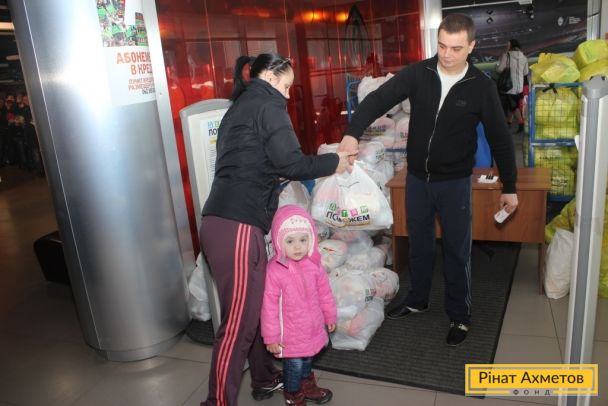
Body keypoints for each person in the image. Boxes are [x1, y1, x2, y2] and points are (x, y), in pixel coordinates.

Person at [338, 13, 518, 346]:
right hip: (418, 179)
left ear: (471, 46)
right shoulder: (420, 73)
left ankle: (460, 315)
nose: (447, 54)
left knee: (457, 251)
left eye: (456, 48)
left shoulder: (481, 87)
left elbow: (501, 139)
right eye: (442, 46)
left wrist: (510, 186)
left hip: (455, 183)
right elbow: (378, 99)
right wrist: (352, 133)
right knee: (419, 245)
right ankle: (418, 299)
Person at [199, 53, 350, 406]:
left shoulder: (240, 107)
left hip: (229, 222)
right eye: (286, 85)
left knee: (251, 312)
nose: (287, 93)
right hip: (237, 224)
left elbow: (256, 163)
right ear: (269, 76)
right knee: (237, 325)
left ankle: (265, 378)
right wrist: (335, 162)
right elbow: (292, 163)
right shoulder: (268, 105)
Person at [261, 204, 336, 406]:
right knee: (294, 366)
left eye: (303, 240)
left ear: (311, 239)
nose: (297, 247)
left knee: (308, 359)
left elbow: (325, 293)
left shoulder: (314, 265)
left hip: (312, 328)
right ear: (279, 241)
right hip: (289, 335)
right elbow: (269, 307)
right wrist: (271, 336)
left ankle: (307, 386)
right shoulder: (274, 271)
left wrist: (329, 315)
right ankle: (293, 394)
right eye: (290, 241)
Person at [496, 39, 529, 133]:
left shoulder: (506, 56)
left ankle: (521, 123)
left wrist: (497, 66)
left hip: (509, 85)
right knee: (513, 104)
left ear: (510, 46)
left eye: (508, 44)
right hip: (519, 86)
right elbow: (525, 72)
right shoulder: (524, 57)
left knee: (513, 106)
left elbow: (499, 70)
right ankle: (508, 123)